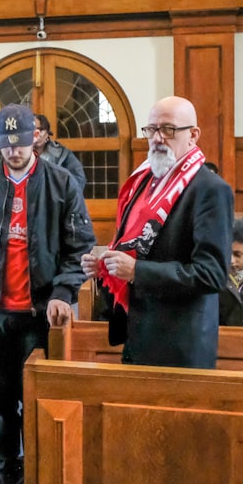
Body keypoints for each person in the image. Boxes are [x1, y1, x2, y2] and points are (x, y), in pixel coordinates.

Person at [0, 104, 95, 484]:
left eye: (20, 144)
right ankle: (3, 474)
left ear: (34, 139)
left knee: (34, 401)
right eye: (5, 146)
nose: (13, 152)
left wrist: (63, 290)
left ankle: (31, 477)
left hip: (39, 313)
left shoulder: (61, 183)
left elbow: (80, 247)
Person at [81, 95, 233, 368]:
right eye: (151, 129)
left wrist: (137, 271)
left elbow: (212, 274)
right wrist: (105, 266)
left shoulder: (210, 189)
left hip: (180, 343)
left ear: (193, 135)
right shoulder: (143, 182)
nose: (158, 138)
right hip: (138, 332)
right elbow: (133, 247)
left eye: (169, 129)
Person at [33, 114, 87, 193]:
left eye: (40, 129)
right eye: (32, 129)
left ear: (47, 133)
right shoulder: (17, 153)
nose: (38, 134)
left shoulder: (62, 154)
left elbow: (79, 180)